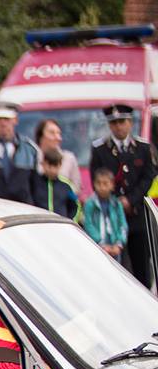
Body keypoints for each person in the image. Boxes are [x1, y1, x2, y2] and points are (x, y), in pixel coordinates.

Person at [90, 103, 158, 286]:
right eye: (114, 123)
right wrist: (114, 201)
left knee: (141, 267)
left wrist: (130, 199)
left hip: (136, 215)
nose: (119, 126)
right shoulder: (100, 149)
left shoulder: (142, 148)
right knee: (113, 267)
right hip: (110, 216)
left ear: (130, 123)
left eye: (122, 121)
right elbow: (96, 178)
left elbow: (148, 176)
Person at [83, 168, 128, 261]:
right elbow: (88, 225)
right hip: (97, 248)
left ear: (112, 185)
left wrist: (119, 244)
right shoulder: (90, 203)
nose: (102, 187)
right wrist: (100, 243)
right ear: (94, 184)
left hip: (114, 249)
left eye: (105, 183)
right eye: (98, 183)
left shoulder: (116, 204)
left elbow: (122, 224)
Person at [31, 147, 79, 220]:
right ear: (43, 164)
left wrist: (69, 221)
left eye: (55, 166)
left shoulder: (66, 186)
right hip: (38, 224)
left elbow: (75, 206)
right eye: (49, 166)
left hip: (60, 226)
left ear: (60, 165)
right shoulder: (35, 182)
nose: (52, 170)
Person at [33, 118, 80, 192]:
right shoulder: (32, 157)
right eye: (52, 133)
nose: (58, 138)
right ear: (41, 136)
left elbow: (76, 188)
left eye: (59, 133)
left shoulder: (69, 159)